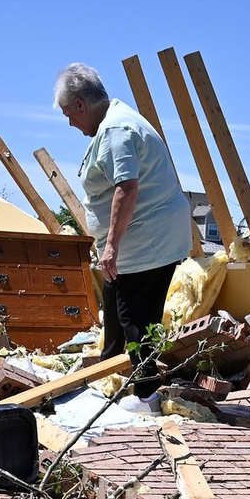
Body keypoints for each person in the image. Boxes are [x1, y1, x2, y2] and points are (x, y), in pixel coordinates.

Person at [53, 63, 191, 378]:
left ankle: (146, 392)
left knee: (135, 320)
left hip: (144, 241)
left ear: (80, 104)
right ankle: (111, 374)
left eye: (69, 115)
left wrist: (112, 246)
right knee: (116, 311)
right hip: (141, 238)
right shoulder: (115, 122)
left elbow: (126, 188)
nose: (71, 124)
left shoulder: (116, 129)